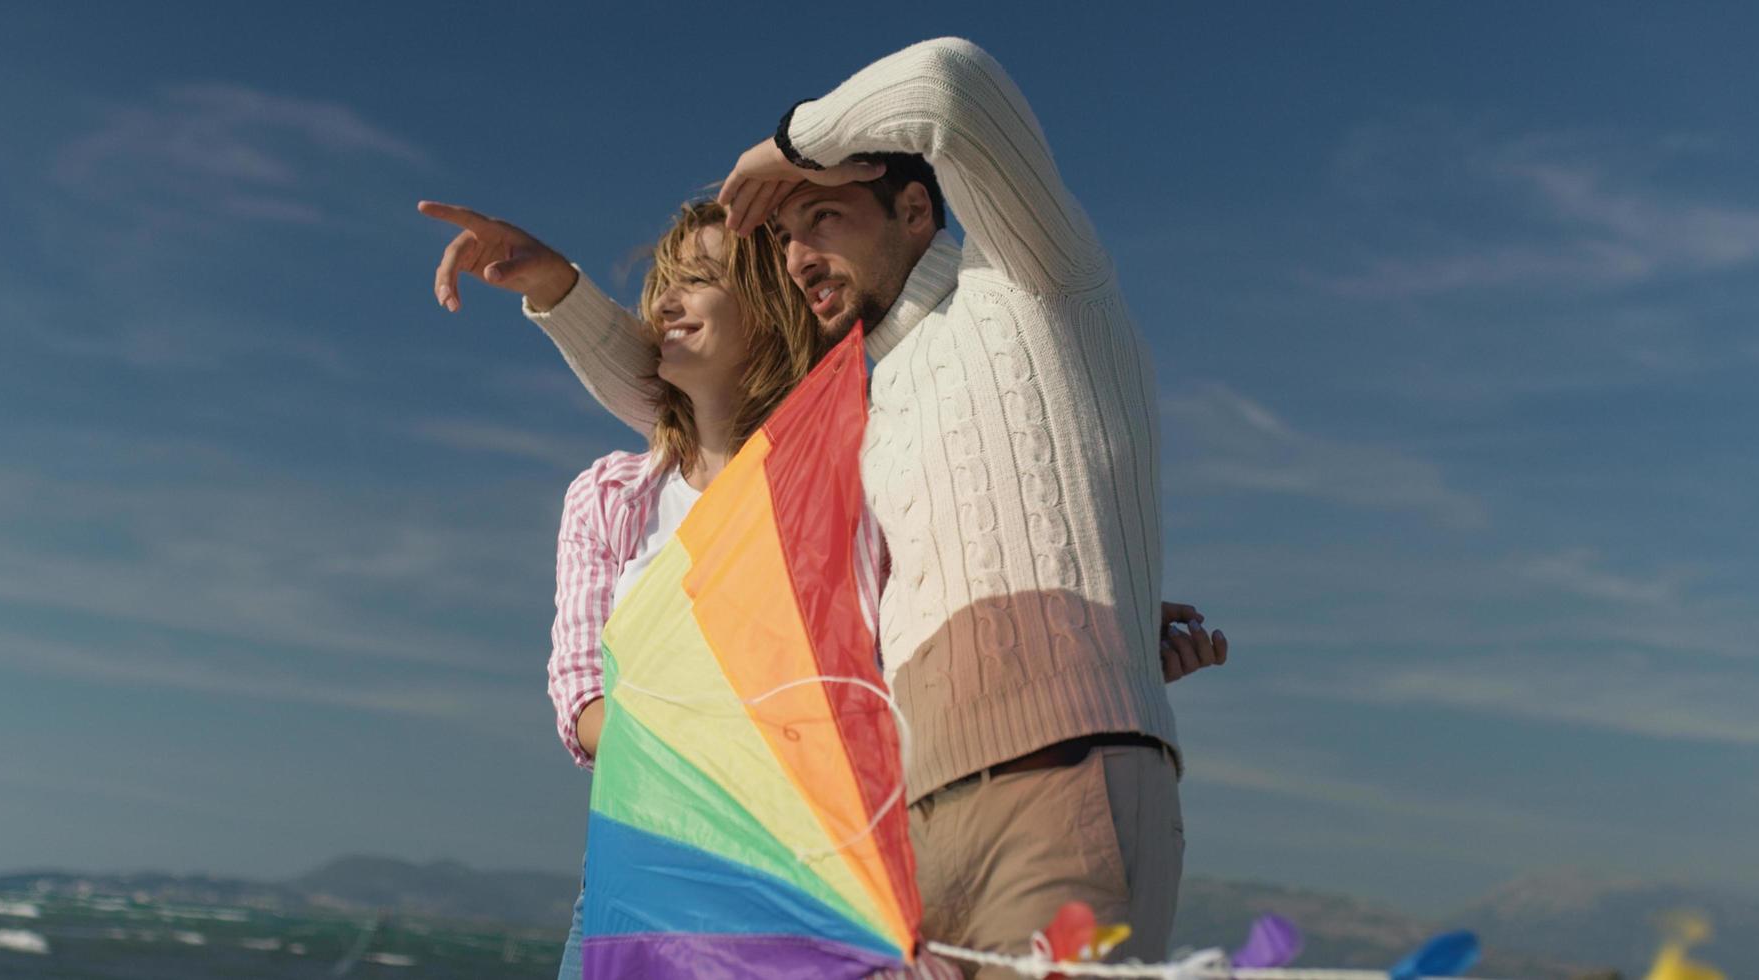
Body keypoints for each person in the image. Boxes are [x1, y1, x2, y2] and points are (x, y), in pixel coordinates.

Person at [454, 38, 1223, 974]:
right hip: (903, 825)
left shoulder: (1026, 281)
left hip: (1053, 767)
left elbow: (954, 84)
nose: (801, 253)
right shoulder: (855, 404)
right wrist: (560, 292)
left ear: (913, 209)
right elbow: (694, 411)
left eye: (822, 217)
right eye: (784, 240)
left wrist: (787, 149)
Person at [419, 199, 869, 977]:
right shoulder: (612, 497)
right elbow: (581, 699)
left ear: (770, 307)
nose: (665, 301)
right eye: (662, 284)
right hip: (640, 882)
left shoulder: (845, 475)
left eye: (699, 279)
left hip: (807, 878)